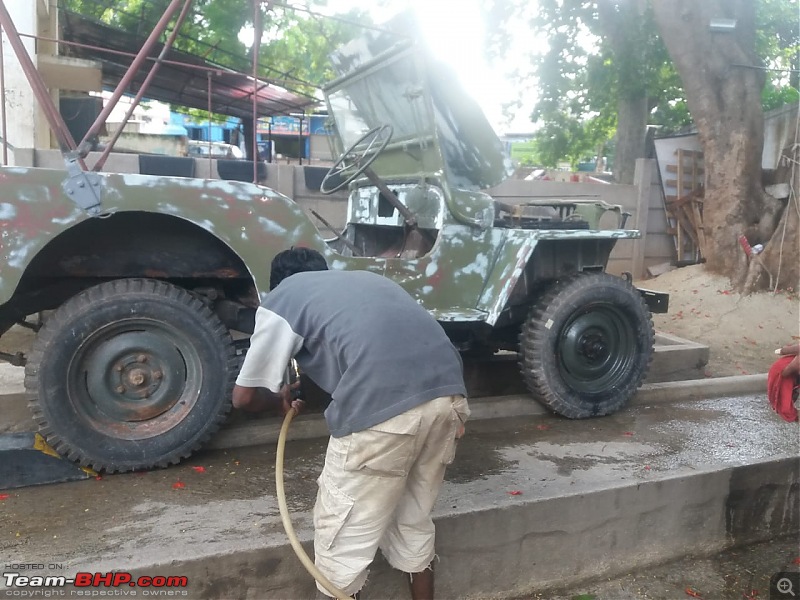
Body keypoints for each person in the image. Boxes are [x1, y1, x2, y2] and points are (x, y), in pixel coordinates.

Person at [232, 247, 469, 600]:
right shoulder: (368, 281)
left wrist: (276, 401)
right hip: (449, 399)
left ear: (274, 285)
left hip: (384, 411)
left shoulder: (283, 298)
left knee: (341, 541)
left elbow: (244, 398)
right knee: (412, 519)